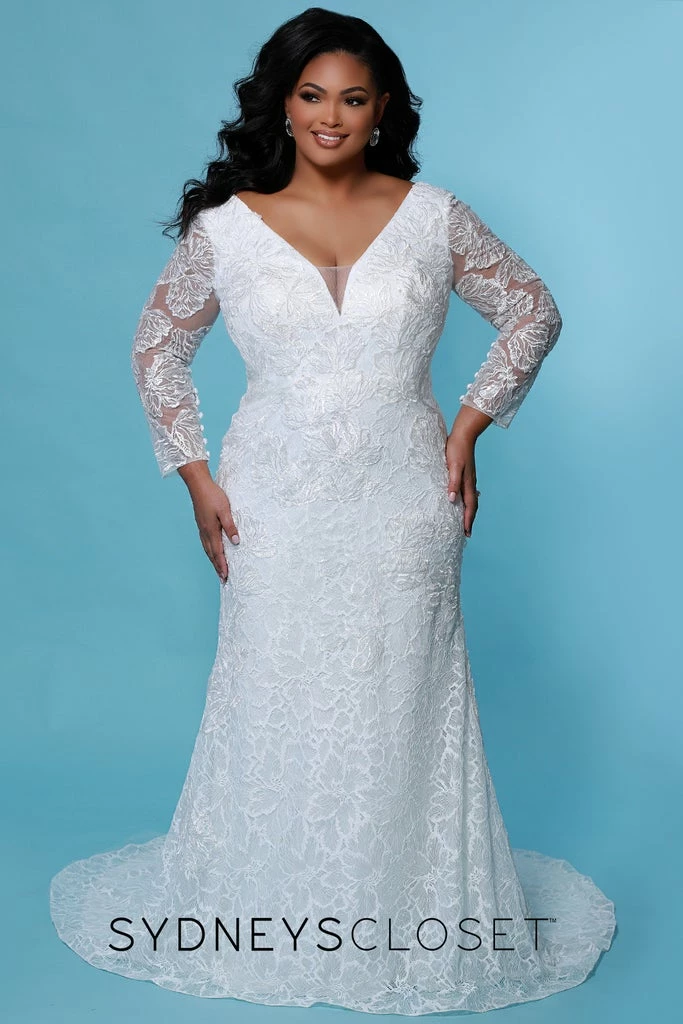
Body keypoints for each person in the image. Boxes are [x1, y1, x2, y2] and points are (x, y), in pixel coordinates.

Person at [49, 6, 616, 1015]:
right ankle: (274, 903)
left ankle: (402, 911)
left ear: (382, 108)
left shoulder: (433, 216)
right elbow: (156, 349)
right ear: (281, 103)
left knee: (403, 699)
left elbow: (532, 308)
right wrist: (195, 476)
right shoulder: (227, 230)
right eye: (311, 95)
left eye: (353, 98)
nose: (330, 115)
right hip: (272, 500)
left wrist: (468, 426)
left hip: (406, 499)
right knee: (277, 690)